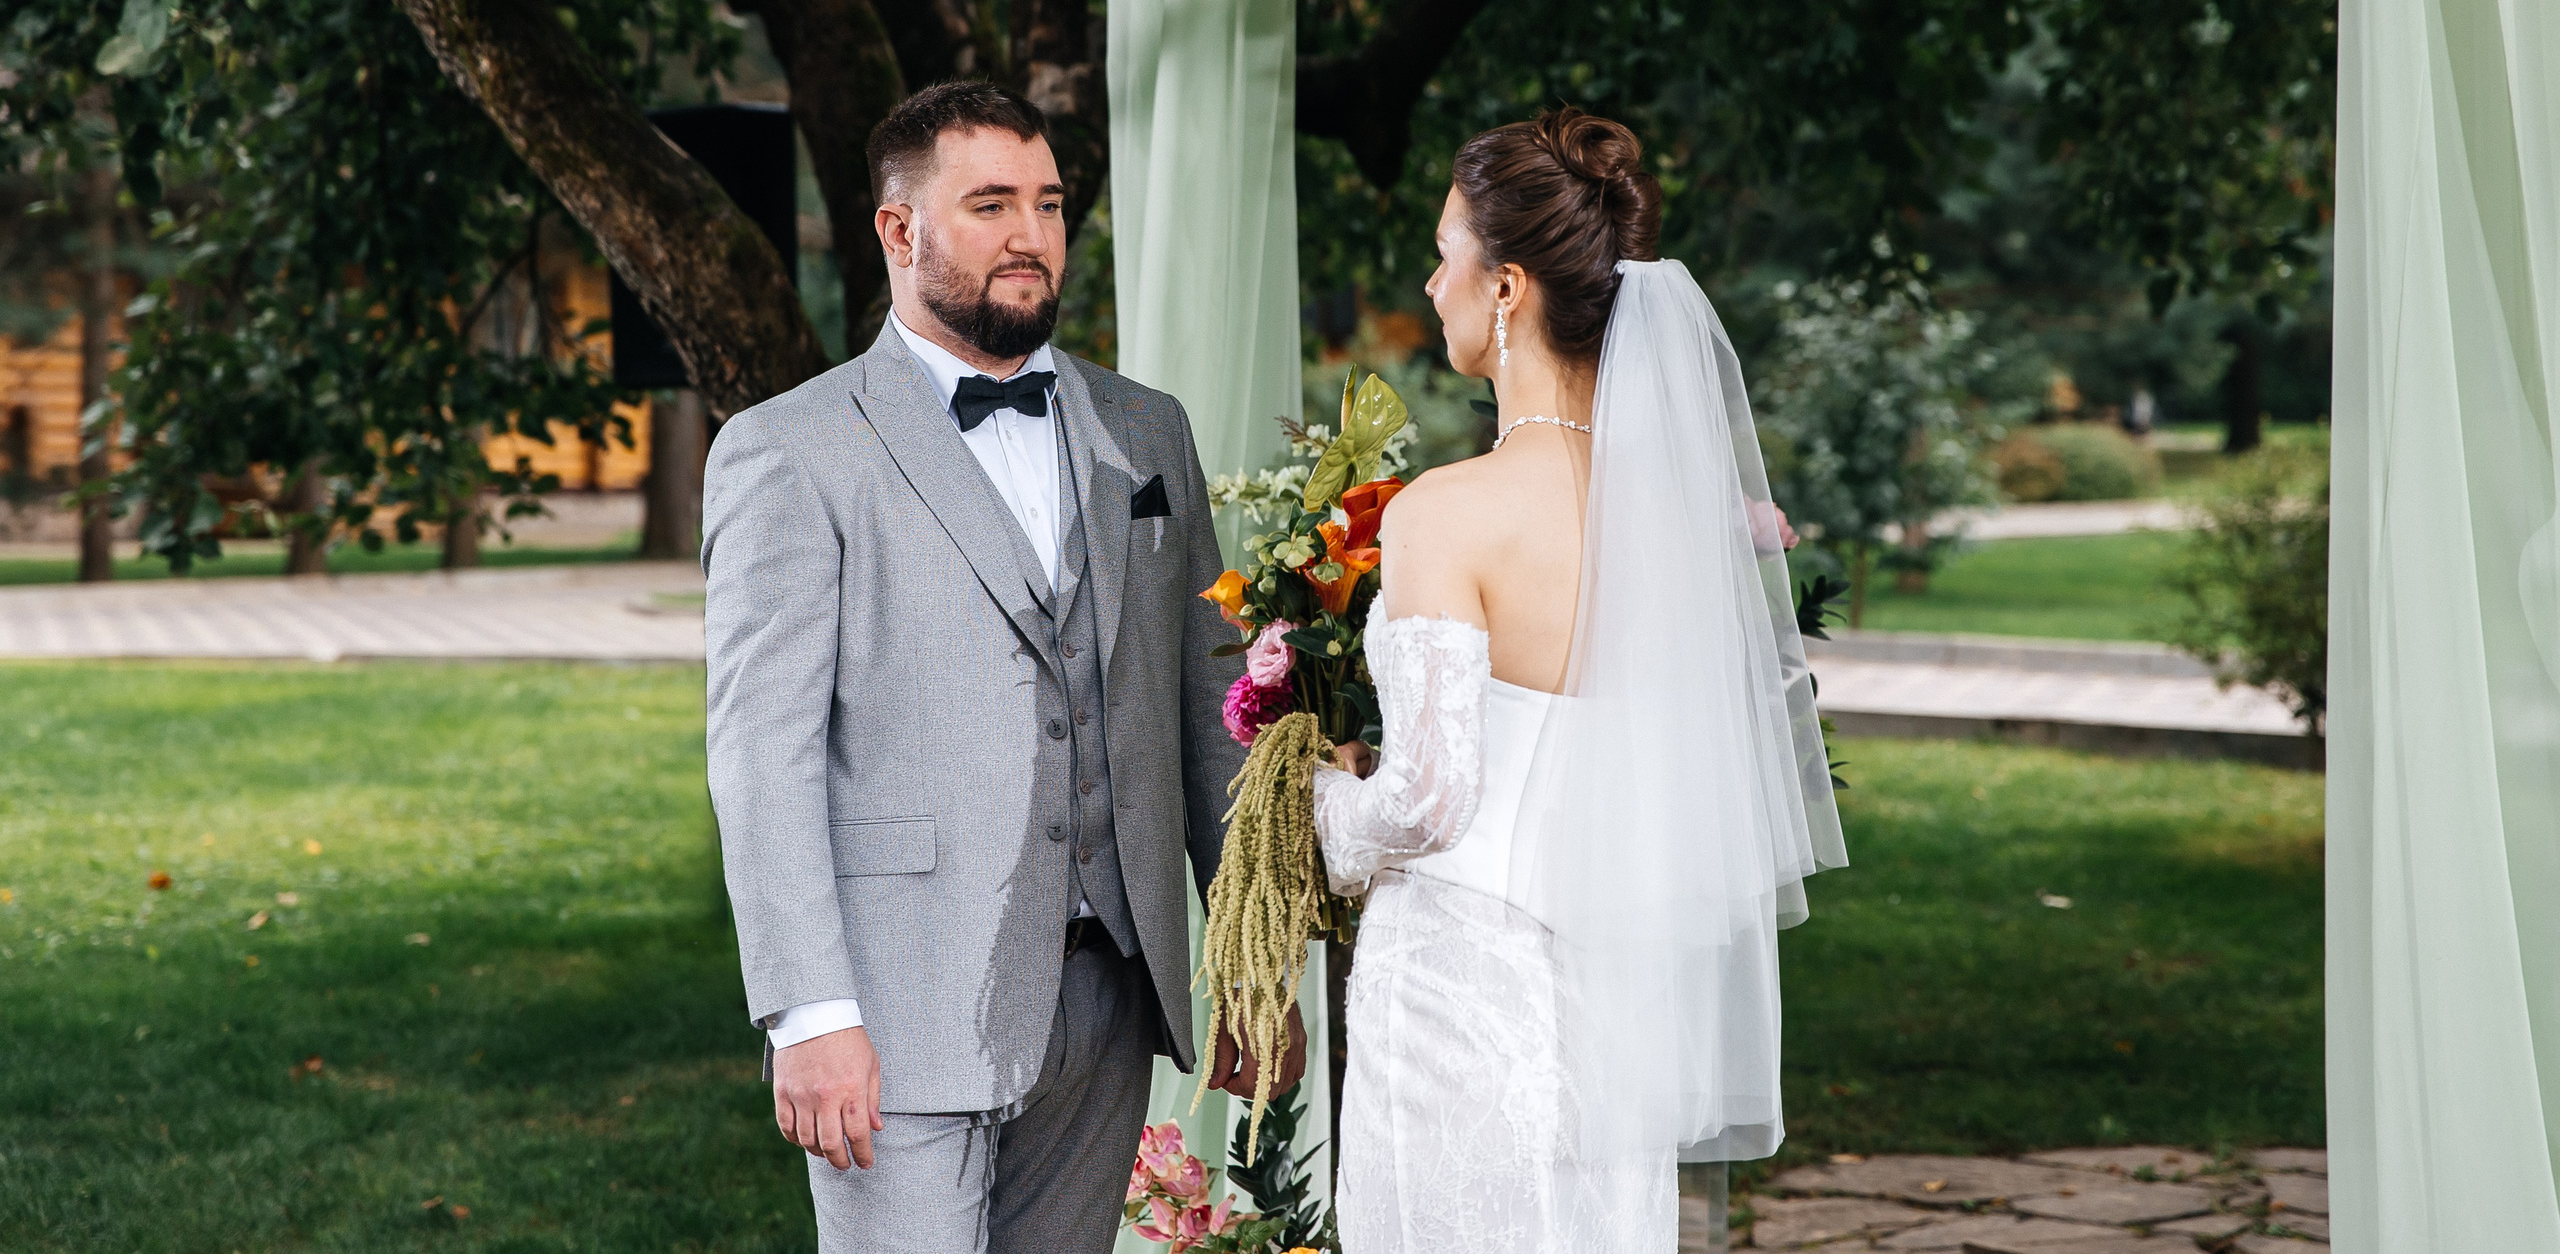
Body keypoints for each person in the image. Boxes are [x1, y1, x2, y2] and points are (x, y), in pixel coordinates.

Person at [701, 81, 1304, 1254]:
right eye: (989, 204)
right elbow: (761, 756)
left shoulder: (1147, 428)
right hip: (895, 1004)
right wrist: (808, 1012)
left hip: (1108, 993)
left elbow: (1209, 709)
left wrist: (1248, 959)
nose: (1030, 234)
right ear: (897, 229)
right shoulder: (789, 449)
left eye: (1049, 203)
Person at [1312, 108, 1846, 1251]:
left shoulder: (1445, 511)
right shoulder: (1674, 517)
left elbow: (1428, 798)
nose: (1430, 282)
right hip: (1615, 987)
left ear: (1506, 287)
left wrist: (1315, 801)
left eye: (1445, 252)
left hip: (1456, 986)